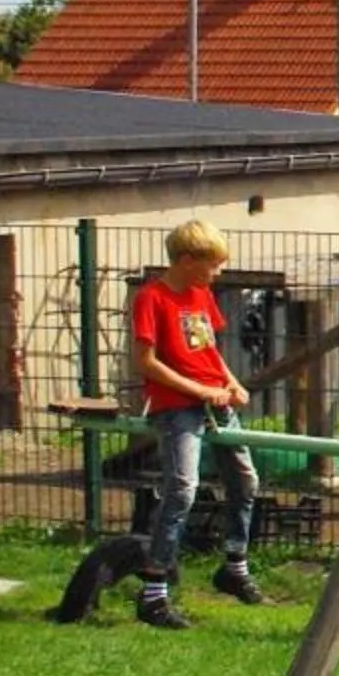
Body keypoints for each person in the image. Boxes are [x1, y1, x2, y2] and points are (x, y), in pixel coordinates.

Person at [125, 219, 265, 626]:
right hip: (177, 407)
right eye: (213, 264)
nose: (218, 273)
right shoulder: (153, 298)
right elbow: (146, 361)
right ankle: (153, 591)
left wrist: (231, 382)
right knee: (182, 491)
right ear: (187, 260)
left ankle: (234, 567)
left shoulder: (201, 294)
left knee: (245, 480)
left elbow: (208, 350)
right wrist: (198, 392)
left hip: (217, 401)